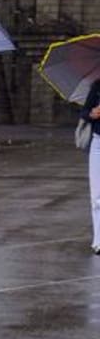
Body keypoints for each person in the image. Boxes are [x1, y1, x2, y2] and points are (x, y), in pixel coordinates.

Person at [81, 82, 100, 255]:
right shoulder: (97, 86)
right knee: (96, 195)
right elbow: (84, 112)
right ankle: (98, 240)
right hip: (97, 144)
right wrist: (92, 114)